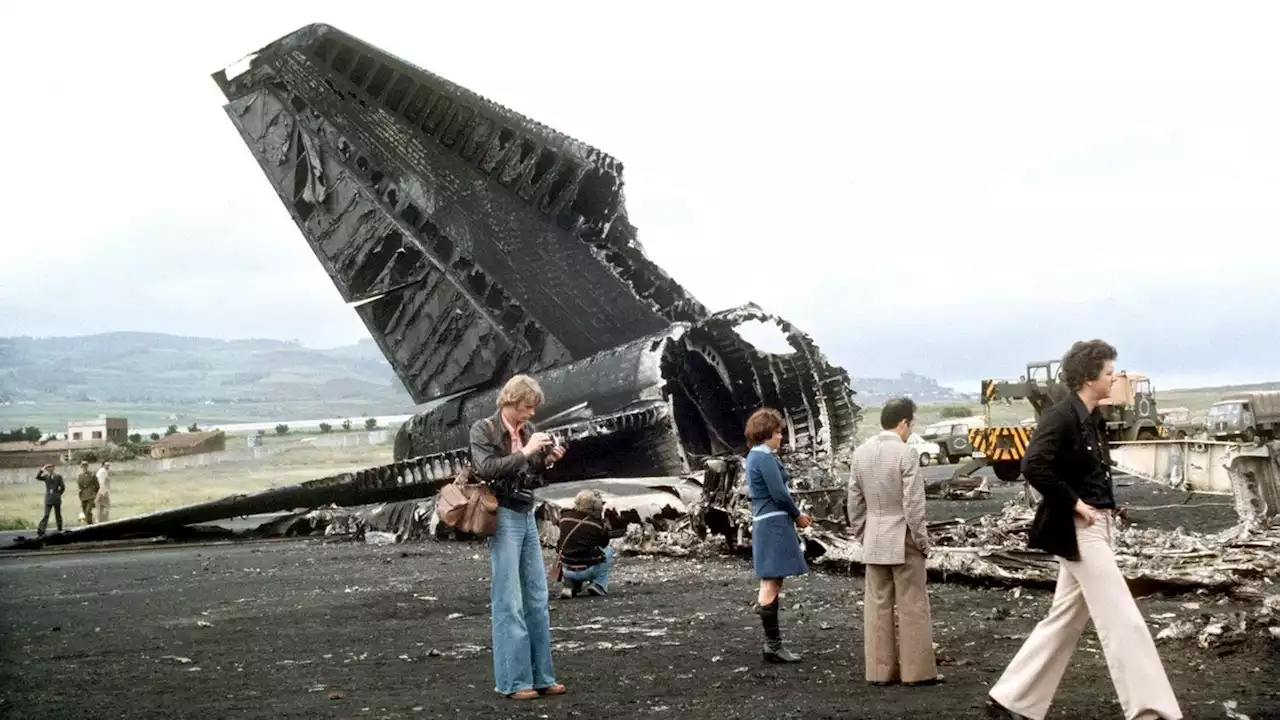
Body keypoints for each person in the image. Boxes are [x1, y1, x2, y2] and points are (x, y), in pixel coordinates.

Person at [986, 340, 1182, 720]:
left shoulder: (1092, 418)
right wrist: (1076, 504)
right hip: (1079, 530)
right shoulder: (1060, 416)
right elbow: (1033, 466)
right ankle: (1150, 711)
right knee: (1123, 619)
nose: (1114, 378)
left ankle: (1011, 700)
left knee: (1063, 620)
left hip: (1095, 527)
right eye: (1109, 372)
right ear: (1090, 376)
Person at [469, 374, 567, 701]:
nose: (530, 415)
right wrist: (527, 452)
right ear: (510, 401)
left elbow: (528, 476)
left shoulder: (526, 432)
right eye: (527, 407)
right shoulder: (483, 430)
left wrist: (546, 461)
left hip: (525, 511)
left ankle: (542, 677)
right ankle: (513, 681)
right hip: (503, 516)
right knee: (508, 599)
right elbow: (485, 469)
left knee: (537, 598)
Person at [847, 397, 941, 686]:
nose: (912, 430)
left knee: (877, 606)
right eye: (911, 424)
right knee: (913, 605)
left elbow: (854, 502)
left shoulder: (860, 454)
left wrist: (863, 533)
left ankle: (879, 671)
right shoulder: (907, 454)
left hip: (874, 538)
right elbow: (914, 507)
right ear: (903, 422)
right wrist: (923, 543)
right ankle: (917, 673)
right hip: (903, 538)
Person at [744, 407, 811, 664]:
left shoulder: (756, 456)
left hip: (767, 523)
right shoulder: (764, 457)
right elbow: (779, 494)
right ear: (766, 433)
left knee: (771, 582)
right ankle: (773, 645)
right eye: (777, 432)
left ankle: (772, 644)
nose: (781, 437)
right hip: (773, 525)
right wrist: (798, 516)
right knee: (771, 584)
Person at [555, 489, 617, 598]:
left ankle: (570, 584)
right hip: (588, 570)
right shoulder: (597, 525)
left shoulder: (564, 517)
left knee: (571, 550)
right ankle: (598, 585)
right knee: (609, 551)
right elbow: (603, 544)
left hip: (566, 569)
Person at [35, 464, 65, 536]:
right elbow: (37, 477)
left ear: (54, 468)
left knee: (58, 515)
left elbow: (63, 487)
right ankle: (41, 530)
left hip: (56, 499)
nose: (50, 469)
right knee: (46, 514)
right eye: (48, 468)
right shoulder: (46, 477)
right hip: (48, 499)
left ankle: (60, 529)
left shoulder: (58, 476)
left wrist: (58, 494)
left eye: (51, 468)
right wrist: (42, 469)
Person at [76, 460, 99, 525]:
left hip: (91, 495)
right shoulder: (80, 475)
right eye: (83, 466)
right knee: (85, 512)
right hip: (83, 496)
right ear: (81, 467)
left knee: (88, 511)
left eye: (85, 466)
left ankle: (90, 524)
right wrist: (80, 494)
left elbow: (97, 485)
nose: (84, 468)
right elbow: (80, 486)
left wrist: (95, 494)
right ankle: (90, 524)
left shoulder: (92, 474)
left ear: (87, 466)